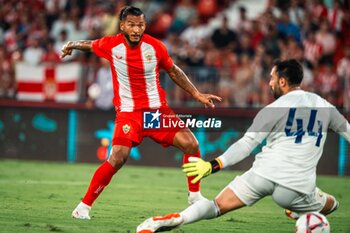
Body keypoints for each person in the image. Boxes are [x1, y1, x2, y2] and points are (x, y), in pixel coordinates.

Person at [136, 59, 350, 233]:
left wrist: (212, 165)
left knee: (215, 206)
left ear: (283, 82)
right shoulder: (325, 106)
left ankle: (177, 218)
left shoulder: (272, 109)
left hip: (262, 174)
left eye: (272, 78)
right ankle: (304, 212)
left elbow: (247, 145)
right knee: (331, 204)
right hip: (295, 186)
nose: (270, 83)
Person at [60, 6, 221, 220]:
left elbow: (173, 70)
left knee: (191, 144)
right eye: (132, 25)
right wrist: (72, 44)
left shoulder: (155, 47)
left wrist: (197, 94)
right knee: (118, 157)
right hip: (129, 113)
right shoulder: (111, 44)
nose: (137, 29)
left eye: (141, 25)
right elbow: (89, 45)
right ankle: (83, 207)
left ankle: (195, 196)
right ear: (123, 26)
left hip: (156, 113)